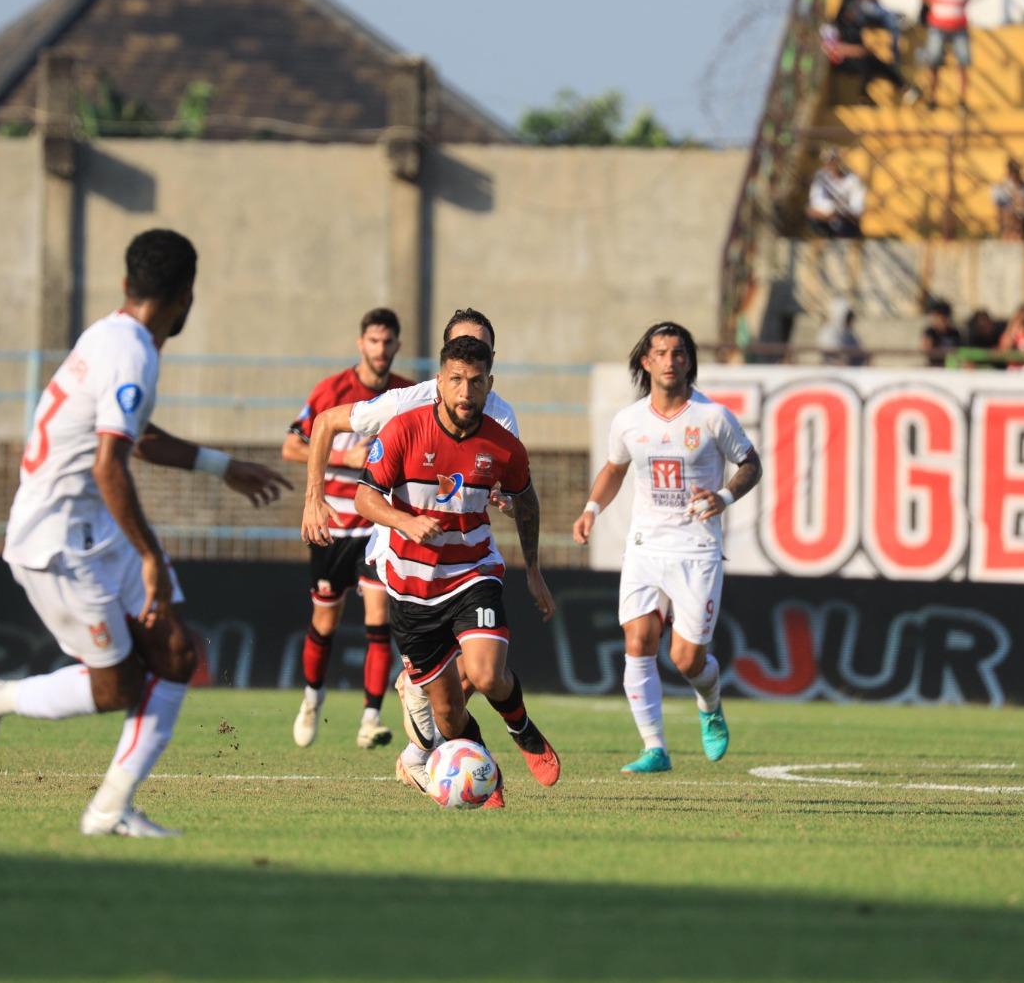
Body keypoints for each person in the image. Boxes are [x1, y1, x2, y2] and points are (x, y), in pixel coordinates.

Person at [0, 229, 290, 838]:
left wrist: (223, 466)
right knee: (116, 687)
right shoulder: (131, 351)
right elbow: (110, 464)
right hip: (55, 540)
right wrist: (150, 554)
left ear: (127, 285)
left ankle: (109, 811)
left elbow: (136, 435)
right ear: (186, 296)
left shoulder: (112, 335)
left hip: (93, 527)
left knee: (179, 652)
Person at [299, 308, 528, 793]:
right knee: (379, 625)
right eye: (459, 354)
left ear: (489, 364)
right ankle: (374, 713)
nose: (467, 380)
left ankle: (418, 739)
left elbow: (503, 485)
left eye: (479, 351)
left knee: (477, 666)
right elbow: (327, 422)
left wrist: (502, 498)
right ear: (443, 366)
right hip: (397, 547)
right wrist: (314, 497)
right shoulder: (406, 402)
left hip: (461, 559)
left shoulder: (500, 416)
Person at [354, 335, 558, 809]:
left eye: (476, 382)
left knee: (487, 675)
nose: (466, 392)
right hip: (411, 588)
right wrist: (405, 521)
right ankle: (483, 771)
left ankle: (522, 727)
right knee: (447, 712)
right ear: (440, 382)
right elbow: (365, 496)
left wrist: (534, 571)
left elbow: (526, 503)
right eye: (456, 381)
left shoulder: (503, 446)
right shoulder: (403, 430)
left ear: (491, 384)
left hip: (472, 574)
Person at [572, 322, 761, 773]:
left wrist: (724, 497)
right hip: (645, 545)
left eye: (679, 353)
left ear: (688, 360)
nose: (671, 361)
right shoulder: (629, 420)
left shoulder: (712, 417)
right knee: (638, 639)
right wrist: (591, 510)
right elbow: (615, 469)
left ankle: (709, 702)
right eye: (662, 353)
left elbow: (750, 464)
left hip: (696, 549)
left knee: (685, 658)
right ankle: (654, 747)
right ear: (647, 362)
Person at [282, 308, 412, 750]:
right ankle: (311, 701)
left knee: (379, 619)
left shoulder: (406, 394)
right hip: (334, 524)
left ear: (396, 345)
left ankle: (369, 720)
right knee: (325, 620)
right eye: (373, 341)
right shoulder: (332, 391)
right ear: (361, 344)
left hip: (376, 526)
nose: (380, 350)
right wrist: (345, 459)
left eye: (388, 342)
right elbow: (291, 446)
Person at [918, 0, 986, 110]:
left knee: (962, 63)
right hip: (937, 25)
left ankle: (962, 101)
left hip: (959, 26)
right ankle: (932, 98)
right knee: (934, 62)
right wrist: (931, 2)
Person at [821, 0, 919, 106]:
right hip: (843, 61)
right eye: (853, 10)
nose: (855, 13)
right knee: (868, 63)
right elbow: (832, 47)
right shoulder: (834, 27)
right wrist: (857, 51)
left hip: (861, 57)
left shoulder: (855, 25)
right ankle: (865, 96)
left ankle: (902, 88)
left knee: (878, 64)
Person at [806, 150, 867, 238]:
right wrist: (828, 213)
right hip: (825, 217)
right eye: (828, 162)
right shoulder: (820, 176)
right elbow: (816, 202)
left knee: (844, 226)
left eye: (834, 161)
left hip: (845, 219)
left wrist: (838, 213)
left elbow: (857, 209)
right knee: (813, 218)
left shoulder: (853, 180)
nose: (831, 165)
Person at [992, 158, 1024, 240]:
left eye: (1016, 171)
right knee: (1008, 214)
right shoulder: (1001, 186)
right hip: (1007, 217)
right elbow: (998, 206)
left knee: (1020, 217)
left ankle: (1018, 236)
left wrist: (1022, 202)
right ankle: (1009, 237)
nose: (1014, 174)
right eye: (1012, 171)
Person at [816, 298, 865, 365]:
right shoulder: (827, 332)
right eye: (847, 317)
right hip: (832, 370)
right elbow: (830, 352)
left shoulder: (849, 334)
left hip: (851, 370)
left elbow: (859, 350)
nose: (850, 321)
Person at [921, 301, 963, 366]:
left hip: (951, 366)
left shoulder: (954, 333)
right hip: (934, 367)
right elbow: (926, 349)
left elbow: (959, 350)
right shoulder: (930, 332)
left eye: (941, 317)